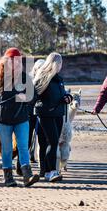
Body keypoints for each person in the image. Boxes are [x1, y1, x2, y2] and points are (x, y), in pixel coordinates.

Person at [0, 48, 40, 187]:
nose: (16, 63)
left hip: (21, 118)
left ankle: (27, 175)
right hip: (3, 120)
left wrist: (25, 99)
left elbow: (33, 95)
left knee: (22, 146)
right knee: (7, 148)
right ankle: (8, 177)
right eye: (13, 60)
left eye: (18, 60)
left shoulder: (24, 77)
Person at [33, 53, 73, 182]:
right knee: (53, 142)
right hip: (46, 114)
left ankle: (47, 171)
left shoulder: (59, 79)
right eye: (60, 63)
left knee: (52, 143)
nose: (61, 65)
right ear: (55, 63)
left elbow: (62, 94)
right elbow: (34, 97)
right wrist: (42, 107)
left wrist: (68, 97)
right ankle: (51, 172)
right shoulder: (42, 77)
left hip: (58, 114)